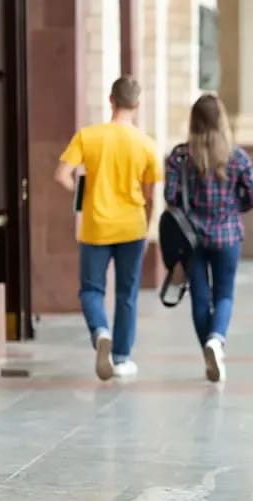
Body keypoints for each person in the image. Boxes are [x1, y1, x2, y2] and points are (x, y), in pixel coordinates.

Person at [53, 76, 161, 381]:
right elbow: (151, 194)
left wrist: (80, 190)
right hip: (132, 226)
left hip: (95, 226)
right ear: (137, 105)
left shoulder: (88, 137)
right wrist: (146, 223)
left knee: (91, 290)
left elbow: (62, 174)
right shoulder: (146, 144)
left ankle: (100, 331)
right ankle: (122, 358)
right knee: (127, 294)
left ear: (111, 100)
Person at [163, 94, 253, 383]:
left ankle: (209, 348)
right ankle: (216, 341)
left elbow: (171, 197)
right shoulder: (237, 156)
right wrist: (232, 209)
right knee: (225, 294)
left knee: (200, 296)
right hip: (228, 235)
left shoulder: (179, 157)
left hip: (192, 238)